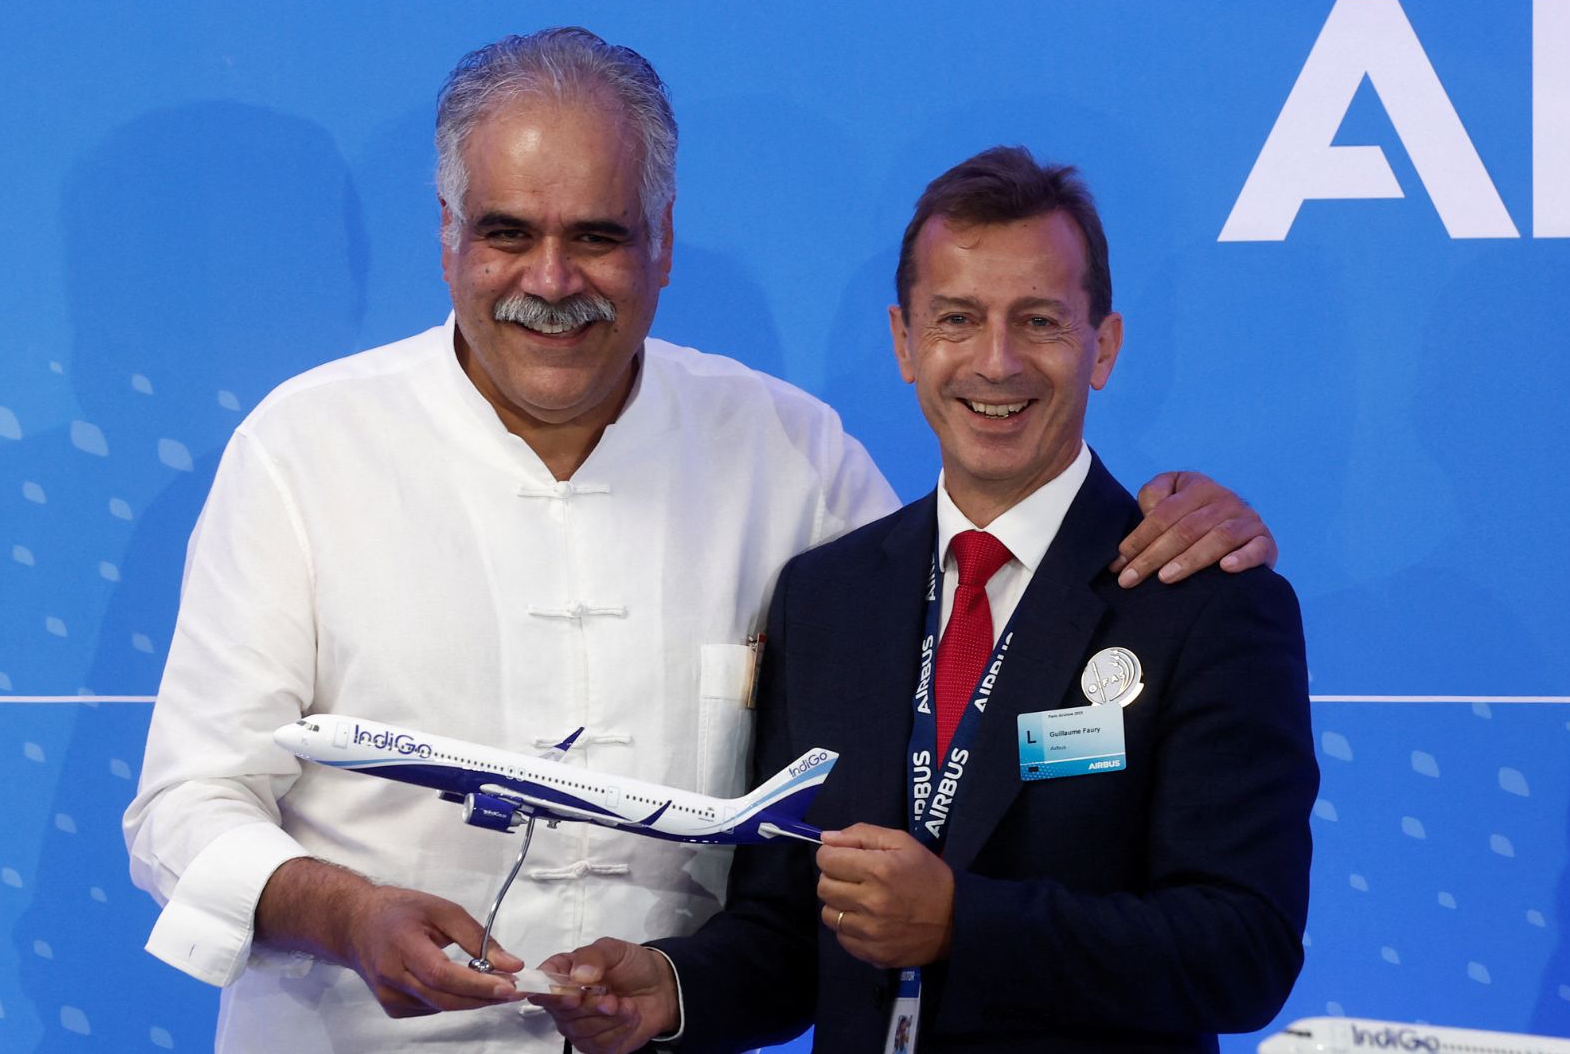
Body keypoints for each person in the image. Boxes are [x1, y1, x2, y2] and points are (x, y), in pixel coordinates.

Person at [121, 30, 1274, 1053]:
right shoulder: (302, 449)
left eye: (601, 236)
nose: (552, 281)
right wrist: (347, 912)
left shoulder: (789, 453)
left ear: (666, 241)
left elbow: (994, 589)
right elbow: (183, 808)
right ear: (446, 237)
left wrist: (1162, 518)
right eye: (508, 233)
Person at [534, 147, 1317, 1053]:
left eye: (1039, 322)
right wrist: (670, 990)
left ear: (1102, 345)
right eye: (957, 319)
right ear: (905, 342)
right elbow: (790, 932)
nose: (995, 362)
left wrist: (962, 923)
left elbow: (1244, 954)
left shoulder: (1205, 603)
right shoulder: (826, 597)